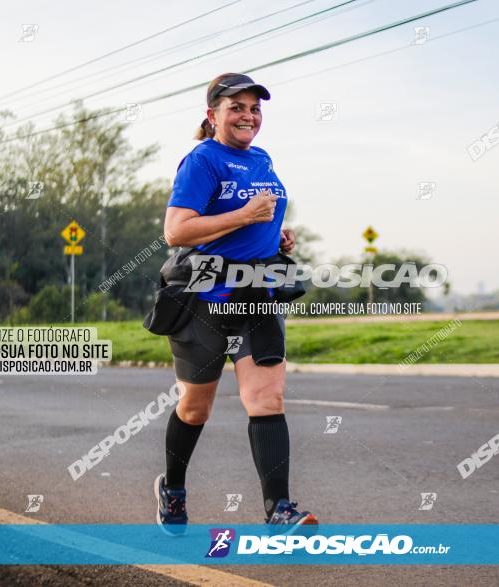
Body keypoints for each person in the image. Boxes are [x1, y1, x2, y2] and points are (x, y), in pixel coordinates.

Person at [153, 72, 318, 535]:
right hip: (207, 292)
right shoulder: (202, 160)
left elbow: (260, 214)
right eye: (237, 107)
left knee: (267, 397)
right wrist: (245, 216)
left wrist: (274, 234)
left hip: (260, 285)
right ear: (213, 116)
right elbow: (176, 231)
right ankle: (174, 489)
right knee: (195, 407)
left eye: (255, 108)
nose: (248, 115)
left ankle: (279, 509)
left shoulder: (263, 157)